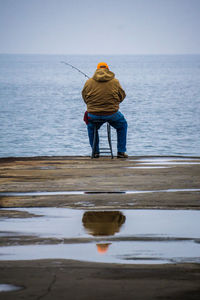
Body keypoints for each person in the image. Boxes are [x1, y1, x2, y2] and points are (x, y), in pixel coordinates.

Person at [82, 62, 128, 158]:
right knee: (122, 125)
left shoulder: (89, 82)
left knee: (91, 127)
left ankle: (95, 152)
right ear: (108, 70)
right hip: (112, 113)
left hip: (93, 114)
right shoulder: (115, 82)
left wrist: (92, 106)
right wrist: (114, 104)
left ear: (97, 70)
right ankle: (121, 152)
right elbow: (122, 96)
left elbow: (85, 97)